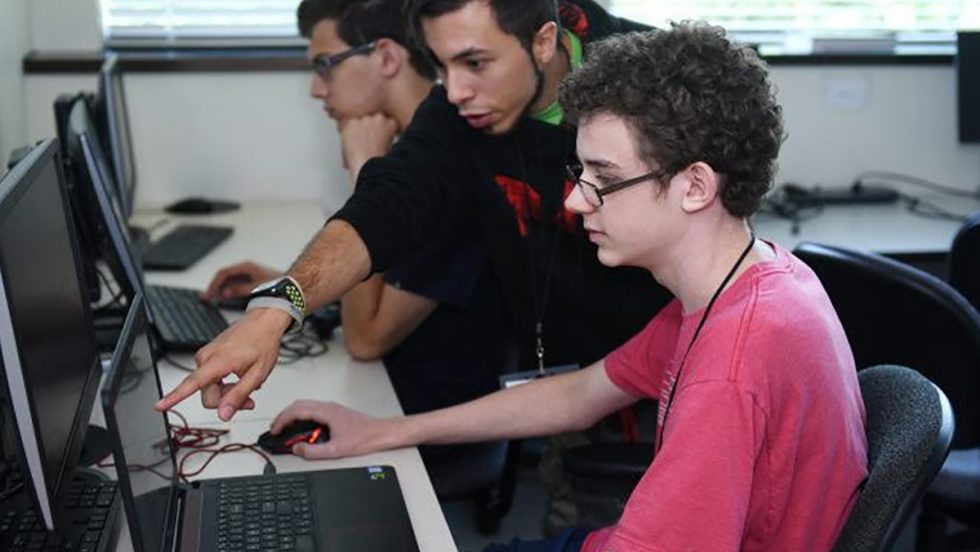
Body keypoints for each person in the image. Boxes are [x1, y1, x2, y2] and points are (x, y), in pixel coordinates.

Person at [261, 24, 869, 551]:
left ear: (695, 186)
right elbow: (579, 394)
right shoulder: (750, 281)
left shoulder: (731, 367)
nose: (574, 200)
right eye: (580, 172)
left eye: (602, 178)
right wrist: (381, 431)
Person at [158, 0, 669, 429]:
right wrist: (276, 308)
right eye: (441, 65)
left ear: (542, 41)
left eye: (475, 63)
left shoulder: (653, 81)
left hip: (674, 376)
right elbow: (386, 204)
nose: (455, 90)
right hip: (567, 398)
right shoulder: (457, 111)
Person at [201, 0, 513, 428]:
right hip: (392, 395)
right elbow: (389, 282)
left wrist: (364, 169)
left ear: (386, 57)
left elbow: (366, 338)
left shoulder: (443, 170)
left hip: (431, 423)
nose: (317, 89)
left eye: (326, 65)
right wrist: (292, 290)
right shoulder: (419, 152)